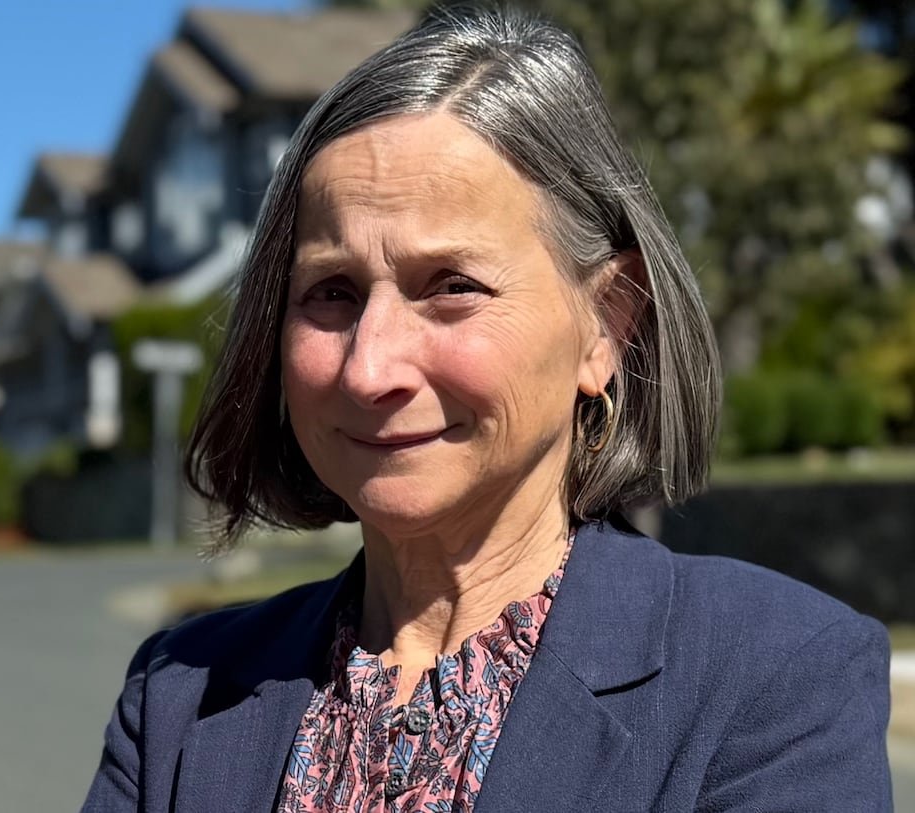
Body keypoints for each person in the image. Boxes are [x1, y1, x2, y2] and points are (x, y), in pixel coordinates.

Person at [82, 6, 893, 811]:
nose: (370, 368)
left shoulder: (774, 677)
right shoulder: (178, 697)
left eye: (452, 287)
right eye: (331, 293)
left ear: (607, 324)